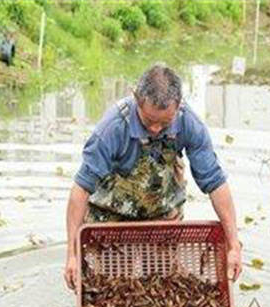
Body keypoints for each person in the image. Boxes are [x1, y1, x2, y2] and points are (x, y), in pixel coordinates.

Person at [64, 64, 242, 291]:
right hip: (113, 215)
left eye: (165, 123)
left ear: (179, 106)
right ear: (137, 100)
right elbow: (80, 190)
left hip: (163, 211)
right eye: (149, 121)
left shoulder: (189, 124)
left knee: (164, 285)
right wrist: (71, 253)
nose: (156, 129)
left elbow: (215, 183)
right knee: (116, 286)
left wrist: (233, 244)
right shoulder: (111, 129)